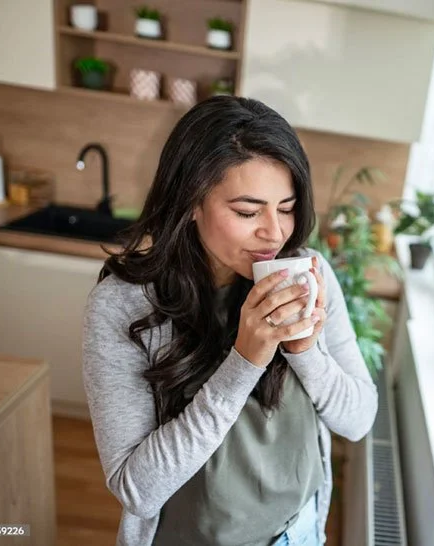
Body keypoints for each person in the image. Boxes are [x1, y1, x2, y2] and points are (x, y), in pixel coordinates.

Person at [81, 96, 377, 546]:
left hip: (298, 533)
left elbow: (358, 420)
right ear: (191, 202)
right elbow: (136, 489)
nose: (274, 233)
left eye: (286, 207)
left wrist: (304, 351)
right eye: (247, 211)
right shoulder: (124, 306)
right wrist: (244, 361)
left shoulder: (308, 275)